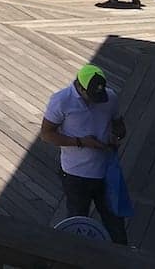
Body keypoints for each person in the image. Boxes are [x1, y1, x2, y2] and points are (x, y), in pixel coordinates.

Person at [40, 65, 130, 245]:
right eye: (92, 96)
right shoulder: (61, 101)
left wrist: (117, 136)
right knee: (77, 226)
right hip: (75, 175)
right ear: (79, 88)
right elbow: (47, 134)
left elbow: (120, 126)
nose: (97, 101)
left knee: (116, 225)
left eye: (100, 95)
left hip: (106, 172)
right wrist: (80, 142)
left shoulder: (110, 98)